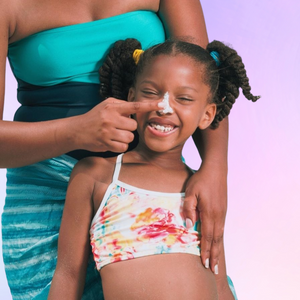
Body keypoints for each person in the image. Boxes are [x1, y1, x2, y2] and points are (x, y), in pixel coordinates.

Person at [1, 1, 233, 299]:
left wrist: (215, 168)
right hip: (45, 192)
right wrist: (75, 132)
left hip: (150, 181)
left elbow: (203, 77)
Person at [48, 38, 259, 300]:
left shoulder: (201, 190)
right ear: (131, 97)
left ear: (207, 115)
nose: (164, 106)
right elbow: (68, 274)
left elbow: (218, 279)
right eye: (151, 92)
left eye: (183, 98)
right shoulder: (95, 176)